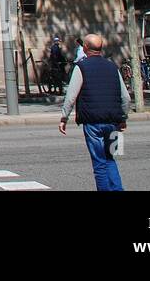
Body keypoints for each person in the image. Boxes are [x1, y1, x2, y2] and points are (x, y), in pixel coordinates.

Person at [59, 33, 128, 191]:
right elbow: (126, 97)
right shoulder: (113, 67)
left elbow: (71, 96)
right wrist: (123, 118)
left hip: (93, 123)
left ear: (85, 48)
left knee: (99, 163)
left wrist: (64, 118)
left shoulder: (81, 67)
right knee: (110, 158)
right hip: (113, 122)